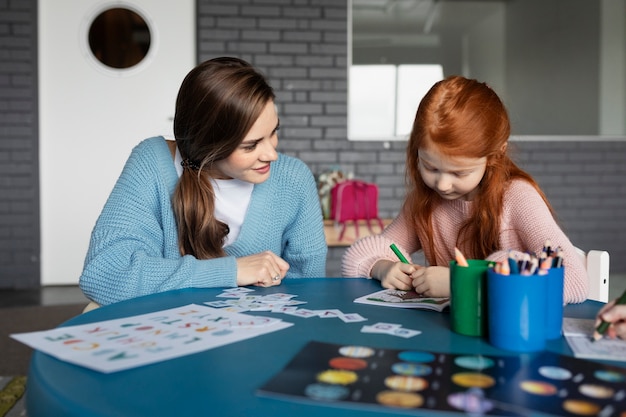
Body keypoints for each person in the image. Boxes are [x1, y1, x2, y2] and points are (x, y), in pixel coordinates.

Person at [79, 57, 327, 306]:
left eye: (274, 132)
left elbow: (307, 291)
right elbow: (104, 274)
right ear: (207, 145)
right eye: (250, 145)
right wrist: (232, 271)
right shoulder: (152, 162)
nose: (271, 154)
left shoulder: (294, 179)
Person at [342, 75, 588, 304]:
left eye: (459, 173)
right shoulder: (425, 200)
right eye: (430, 167)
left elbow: (575, 281)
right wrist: (383, 267)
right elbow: (363, 253)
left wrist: (461, 282)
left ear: (496, 154)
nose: (442, 185)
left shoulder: (517, 198)